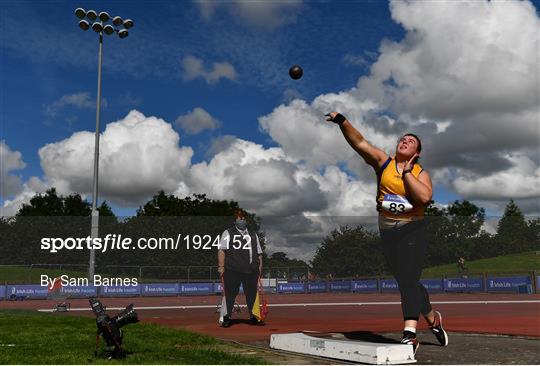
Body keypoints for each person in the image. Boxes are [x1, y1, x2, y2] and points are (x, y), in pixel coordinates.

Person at [326, 111, 448, 353]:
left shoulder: (420, 173)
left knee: (409, 280)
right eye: (402, 139)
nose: (404, 141)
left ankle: (409, 334)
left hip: (412, 229)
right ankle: (433, 319)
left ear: (417, 152)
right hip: (388, 231)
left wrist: (406, 173)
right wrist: (342, 120)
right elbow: (359, 143)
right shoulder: (383, 162)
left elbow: (424, 197)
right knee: (407, 282)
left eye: (410, 141)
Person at [217, 210, 264, 327]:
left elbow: (259, 253)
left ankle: (254, 317)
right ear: (235, 220)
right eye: (239, 218)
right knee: (230, 294)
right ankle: (226, 318)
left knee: (252, 295)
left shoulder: (253, 234)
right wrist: (221, 266)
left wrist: (259, 268)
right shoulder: (228, 233)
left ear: (246, 220)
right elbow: (222, 250)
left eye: (243, 218)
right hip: (232, 270)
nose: (241, 220)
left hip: (251, 270)